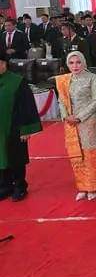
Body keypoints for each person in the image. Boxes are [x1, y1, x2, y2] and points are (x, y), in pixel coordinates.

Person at [56, 51, 96, 201]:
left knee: (91, 154)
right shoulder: (64, 80)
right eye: (71, 63)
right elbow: (61, 100)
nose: (75, 66)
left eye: (78, 62)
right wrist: (66, 116)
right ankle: (82, 187)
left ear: (84, 62)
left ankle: (94, 187)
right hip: (71, 123)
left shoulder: (93, 78)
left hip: (89, 121)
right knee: (77, 155)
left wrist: (79, 117)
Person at [0, 50, 42, 202]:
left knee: (15, 158)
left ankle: (20, 186)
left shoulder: (17, 81)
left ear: (4, 64)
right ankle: (5, 186)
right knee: (1, 158)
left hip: (14, 127)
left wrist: (26, 129)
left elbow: (27, 106)